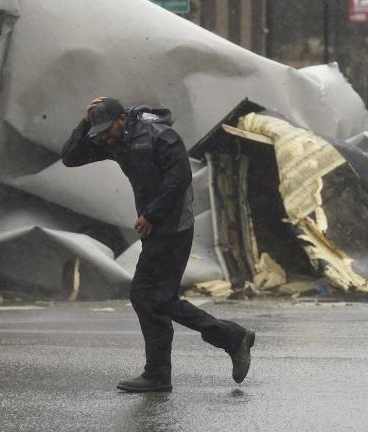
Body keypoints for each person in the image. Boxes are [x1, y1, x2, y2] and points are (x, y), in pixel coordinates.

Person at [61, 96, 256, 393]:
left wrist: (151, 214)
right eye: (99, 131)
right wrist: (85, 122)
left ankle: (219, 344)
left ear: (122, 119)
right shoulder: (114, 140)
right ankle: (172, 367)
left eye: (106, 129)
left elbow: (179, 177)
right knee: (154, 298)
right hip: (156, 228)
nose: (104, 137)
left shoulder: (160, 136)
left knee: (150, 297)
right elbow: (70, 157)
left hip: (175, 226)